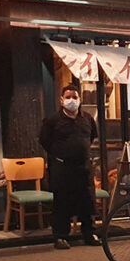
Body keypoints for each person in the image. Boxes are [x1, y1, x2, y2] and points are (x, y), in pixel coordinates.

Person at [39, 86, 100, 249]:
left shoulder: (87, 118)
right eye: (68, 97)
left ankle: (89, 234)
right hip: (62, 167)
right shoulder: (52, 121)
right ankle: (60, 237)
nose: (71, 100)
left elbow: (92, 136)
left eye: (75, 97)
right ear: (61, 99)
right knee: (62, 203)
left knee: (88, 200)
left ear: (80, 99)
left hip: (83, 166)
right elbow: (45, 141)